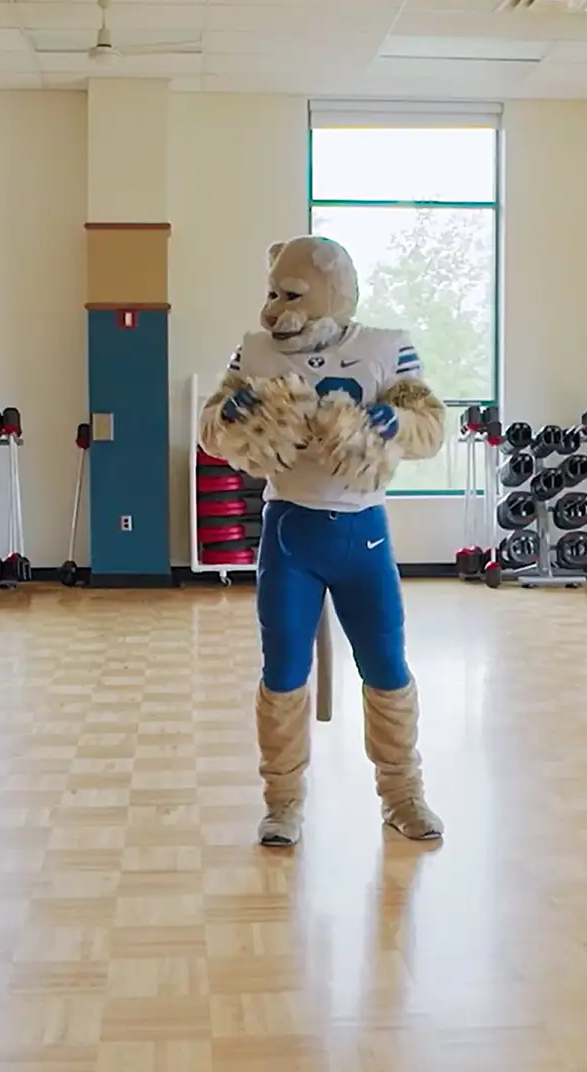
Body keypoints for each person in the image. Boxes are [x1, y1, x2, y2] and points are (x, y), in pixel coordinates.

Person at [197, 235, 448, 847]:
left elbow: (430, 425)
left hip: (362, 532)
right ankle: (282, 801)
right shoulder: (254, 351)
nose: (276, 309)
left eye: (292, 295)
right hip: (290, 531)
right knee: (282, 671)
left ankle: (403, 795)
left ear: (332, 298)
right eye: (272, 293)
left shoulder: (386, 348)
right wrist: (233, 417)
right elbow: (209, 430)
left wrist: (395, 422)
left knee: (386, 666)